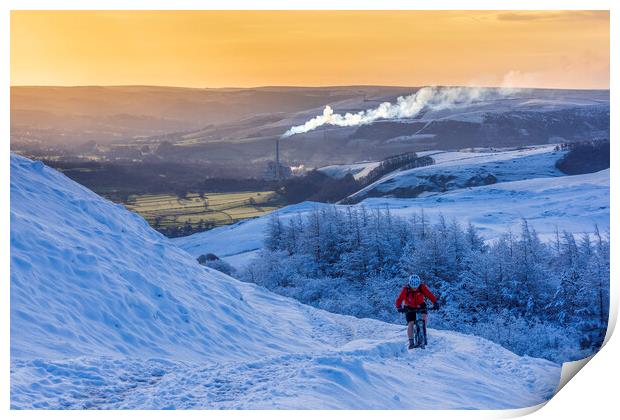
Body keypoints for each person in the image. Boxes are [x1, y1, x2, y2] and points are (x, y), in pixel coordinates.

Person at [395, 274, 439, 349]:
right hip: (409, 306)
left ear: (419, 284)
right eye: (413, 287)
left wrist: (435, 302)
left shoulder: (422, 287)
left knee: (424, 317)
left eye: (416, 287)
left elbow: (429, 295)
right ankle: (411, 342)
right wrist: (399, 307)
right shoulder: (406, 289)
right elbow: (399, 299)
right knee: (411, 323)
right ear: (409, 284)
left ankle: (423, 331)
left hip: (420, 304)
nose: (415, 288)